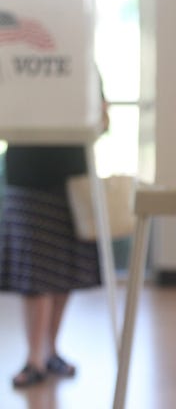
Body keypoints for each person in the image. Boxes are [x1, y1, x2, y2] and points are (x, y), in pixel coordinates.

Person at [0, 79, 109, 388]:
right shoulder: (18, 59)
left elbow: (102, 121)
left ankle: (48, 352)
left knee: (62, 272)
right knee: (36, 275)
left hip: (70, 177)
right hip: (27, 177)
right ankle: (36, 356)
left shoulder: (79, 58)